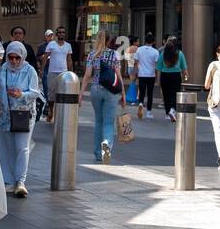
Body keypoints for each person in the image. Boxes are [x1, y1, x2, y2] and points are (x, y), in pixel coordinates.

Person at [0, 41, 43, 197]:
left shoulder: (30, 71)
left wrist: (21, 95)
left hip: (23, 114)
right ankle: (8, 180)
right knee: (6, 148)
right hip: (5, 115)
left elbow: (36, 93)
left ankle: (20, 181)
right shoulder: (4, 69)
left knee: (22, 147)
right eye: (11, 57)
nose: (14, 61)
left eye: (17, 58)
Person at [78, 31, 123, 163]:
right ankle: (106, 146)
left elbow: (87, 76)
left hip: (96, 89)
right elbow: (118, 75)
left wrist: (81, 94)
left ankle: (98, 153)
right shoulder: (114, 55)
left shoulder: (92, 55)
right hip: (111, 91)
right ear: (110, 41)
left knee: (98, 121)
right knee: (108, 122)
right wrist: (123, 93)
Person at [42, 26, 73, 125]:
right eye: (59, 32)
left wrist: (71, 72)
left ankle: (59, 113)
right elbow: (45, 57)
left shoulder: (68, 46)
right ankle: (51, 110)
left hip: (64, 73)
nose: (61, 34)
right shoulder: (51, 44)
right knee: (51, 94)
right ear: (56, 34)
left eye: (63, 32)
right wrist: (41, 69)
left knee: (62, 93)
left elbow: (69, 59)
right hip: (52, 72)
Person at [159, 36, 188, 120]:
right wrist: (186, 76)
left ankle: (167, 113)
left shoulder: (163, 53)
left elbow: (159, 67)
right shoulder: (180, 53)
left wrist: (158, 79)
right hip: (176, 75)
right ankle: (172, 110)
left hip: (164, 75)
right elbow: (184, 67)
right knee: (175, 93)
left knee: (166, 94)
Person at [134, 32, 159, 119]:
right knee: (150, 94)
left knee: (141, 92)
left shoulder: (139, 49)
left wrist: (138, 70)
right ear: (153, 41)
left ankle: (140, 103)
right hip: (151, 75)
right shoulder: (155, 52)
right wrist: (156, 75)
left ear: (145, 41)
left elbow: (136, 62)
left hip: (142, 74)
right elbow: (156, 66)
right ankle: (148, 112)